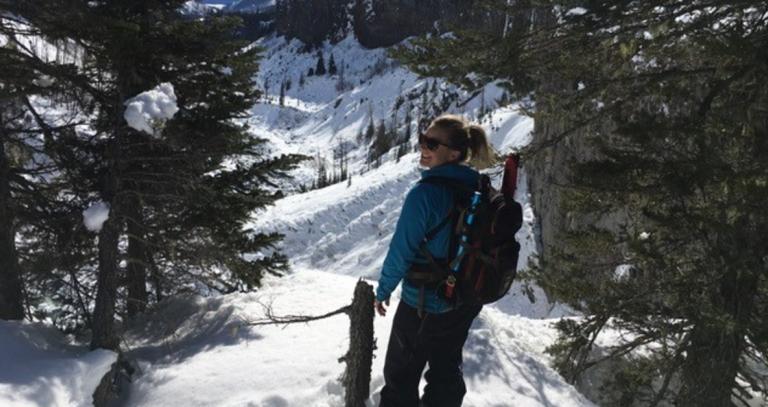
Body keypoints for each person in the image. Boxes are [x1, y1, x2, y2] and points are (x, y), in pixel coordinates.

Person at [374, 114, 495, 407]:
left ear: (453, 154)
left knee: (400, 379)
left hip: (423, 302)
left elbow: (401, 251)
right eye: (421, 140)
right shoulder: (476, 187)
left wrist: (383, 290)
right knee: (445, 373)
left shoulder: (425, 195)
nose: (422, 147)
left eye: (431, 143)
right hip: (462, 300)